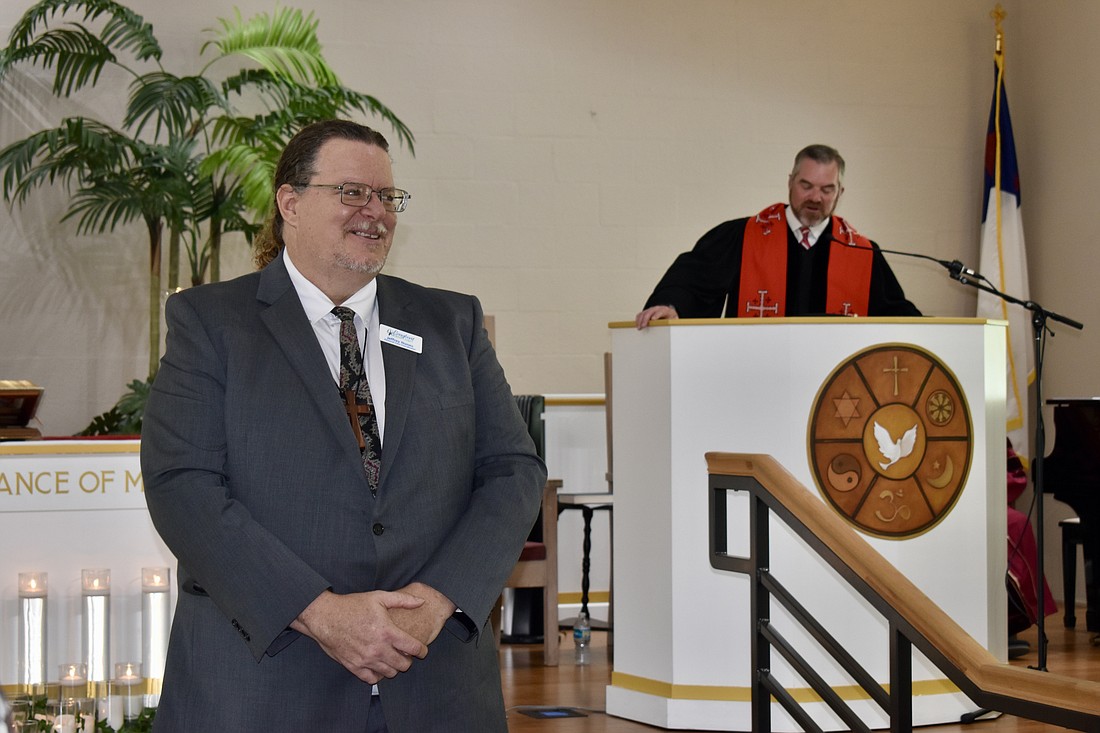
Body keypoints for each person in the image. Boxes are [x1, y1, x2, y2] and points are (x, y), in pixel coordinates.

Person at [140, 119, 546, 732]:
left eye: (387, 197)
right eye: (353, 192)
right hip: (267, 685)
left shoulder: (450, 322)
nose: (375, 212)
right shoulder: (211, 323)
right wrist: (320, 613)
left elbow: (513, 472)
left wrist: (435, 602)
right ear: (290, 203)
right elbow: (183, 486)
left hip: (433, 684)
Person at [635, 144, 921, 328]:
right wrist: (672, 307)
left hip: (834, 390)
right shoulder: (744, 237)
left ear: (840, 193)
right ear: (790, 182)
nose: (815, 197)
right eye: (806, 185)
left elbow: (894, 314)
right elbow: (694, 282)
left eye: (826, 189)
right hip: (755, 375)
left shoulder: (861, 252)